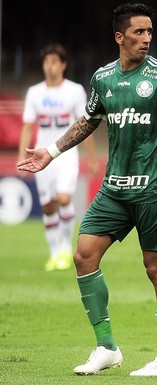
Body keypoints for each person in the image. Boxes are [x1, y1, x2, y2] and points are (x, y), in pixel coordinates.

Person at [17, 3, 157, 376]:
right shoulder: (103, 78)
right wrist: (50, 151)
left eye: (150, 32)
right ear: (119, 37)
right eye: (139, 32)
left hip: (153, 189)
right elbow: (88, 120)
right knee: (83, 255)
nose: (146, 39)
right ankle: (106, 347)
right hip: (114, 188)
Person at [17, 43, 98, 272]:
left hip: (65, 153)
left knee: (63, 199)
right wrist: (21, 155)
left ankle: (64, 247)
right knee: (48, 206)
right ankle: (54, 253)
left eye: (54, 61)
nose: (49, 66)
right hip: (41, 154)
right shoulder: (35, 93)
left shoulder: (74, 91)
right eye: (46, 62)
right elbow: (27, 126)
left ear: (63, 65)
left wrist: (91, 158)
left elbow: (85, 124)